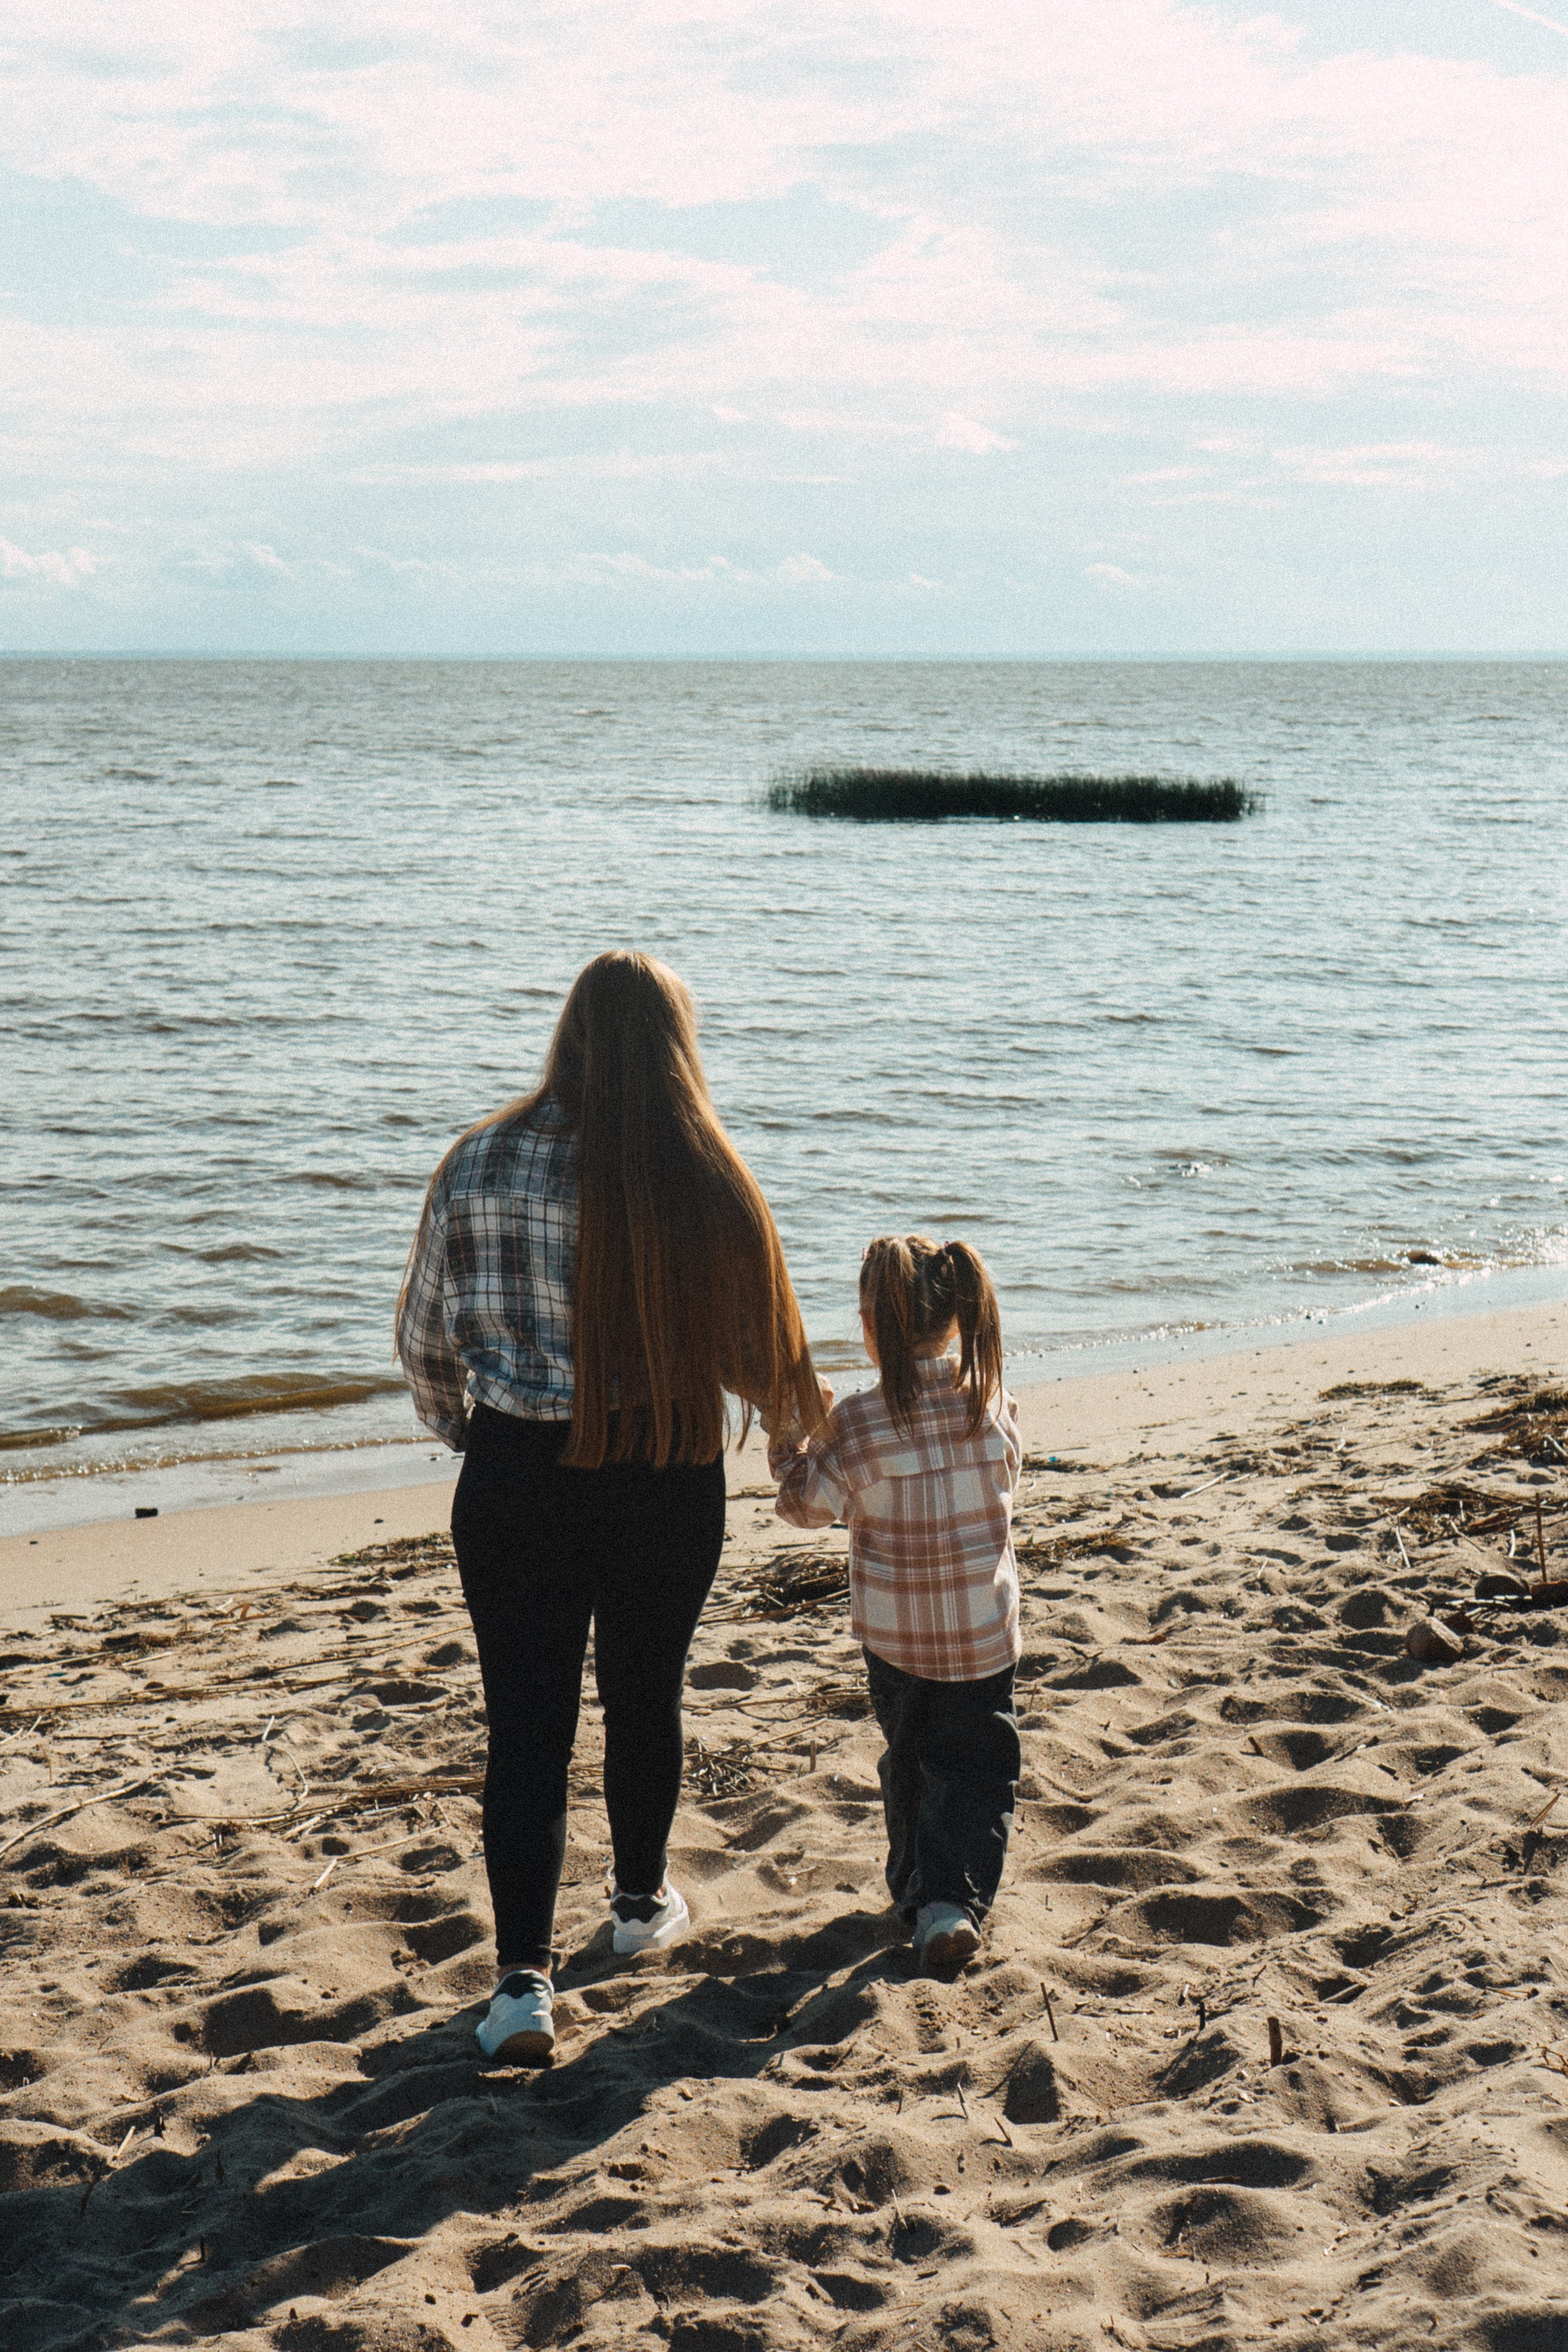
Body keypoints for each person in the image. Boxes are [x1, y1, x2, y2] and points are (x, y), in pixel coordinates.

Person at [397, 951, 824, 2065]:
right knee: (646, 1696)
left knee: (525, 1729)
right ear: (676, 1048)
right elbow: (764, 1363)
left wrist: (486, 1440)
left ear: (568, 1035)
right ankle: (639, 1908)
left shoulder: (477, 1161)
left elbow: (426, 1346)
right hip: (661, 1470)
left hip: (514, 1480)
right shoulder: (701, 1173)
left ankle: (523, 1986)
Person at [771, 1235, 1021, 1972]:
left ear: (871, 1323)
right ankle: (950, 1901)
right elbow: (1006, 1478)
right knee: (976, 1767)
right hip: (983, 1630)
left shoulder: (856, 1421)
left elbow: (804, 1506)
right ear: (955, 1319)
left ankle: (924, 1895)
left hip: (897, 1639)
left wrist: (792, 1435)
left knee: (911, 1758)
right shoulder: (993, 1401)